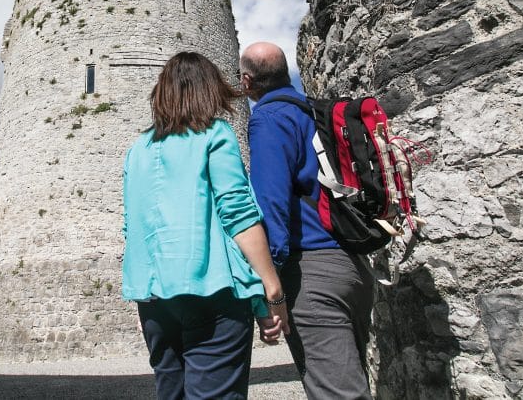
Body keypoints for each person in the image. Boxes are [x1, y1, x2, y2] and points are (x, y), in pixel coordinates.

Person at [122, 51, 290, 400]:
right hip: (211, 294)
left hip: (154, 299)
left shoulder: (137, 149)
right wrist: (271, 290)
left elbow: (133, 228)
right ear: (208, 89)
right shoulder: (216, 134)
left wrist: (145, 298)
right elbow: (238, 213)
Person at [239, 41, 375, 400]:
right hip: (354, 267)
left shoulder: (269, 119)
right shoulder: (315, 112)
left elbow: (270, 200)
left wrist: (273, 281)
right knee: (351, 382)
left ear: (247, 82)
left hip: (313, 274)